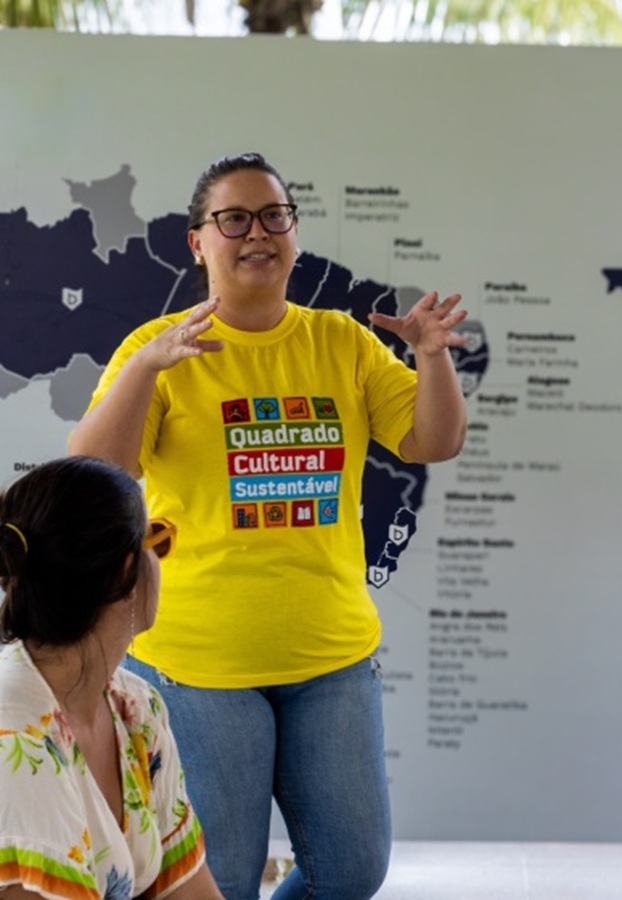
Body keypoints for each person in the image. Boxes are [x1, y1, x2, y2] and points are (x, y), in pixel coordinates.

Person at [67, 152, 469, 900]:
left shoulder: (340, 342)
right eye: (234, 219)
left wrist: (431, 358)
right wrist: (145, 371)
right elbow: (96, 472)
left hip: (331, 658)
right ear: (198, 242)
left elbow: (431, 441)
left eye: (274, 216)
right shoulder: (160, 348)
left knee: (351, 871)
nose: (258, 232)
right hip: (199, 666)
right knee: (220, 880)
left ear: (294, 232)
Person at [0, 456, 223, 900]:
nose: (161, 559)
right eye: (157, 539)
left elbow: (190, 891)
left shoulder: (136, 707)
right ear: (126, 572)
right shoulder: (14, 740)